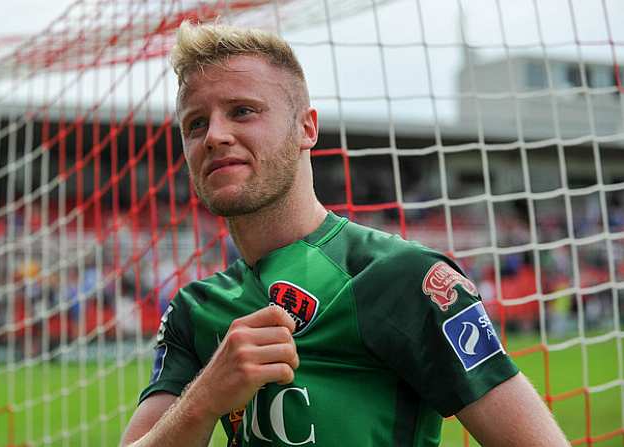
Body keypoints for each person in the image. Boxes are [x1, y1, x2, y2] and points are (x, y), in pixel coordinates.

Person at [121, 21, 569, 446]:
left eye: (242, 111)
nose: (215, 135)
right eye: (195, 123)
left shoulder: (405, 277)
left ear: (306, 128)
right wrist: (204, 400)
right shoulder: (194, 310)